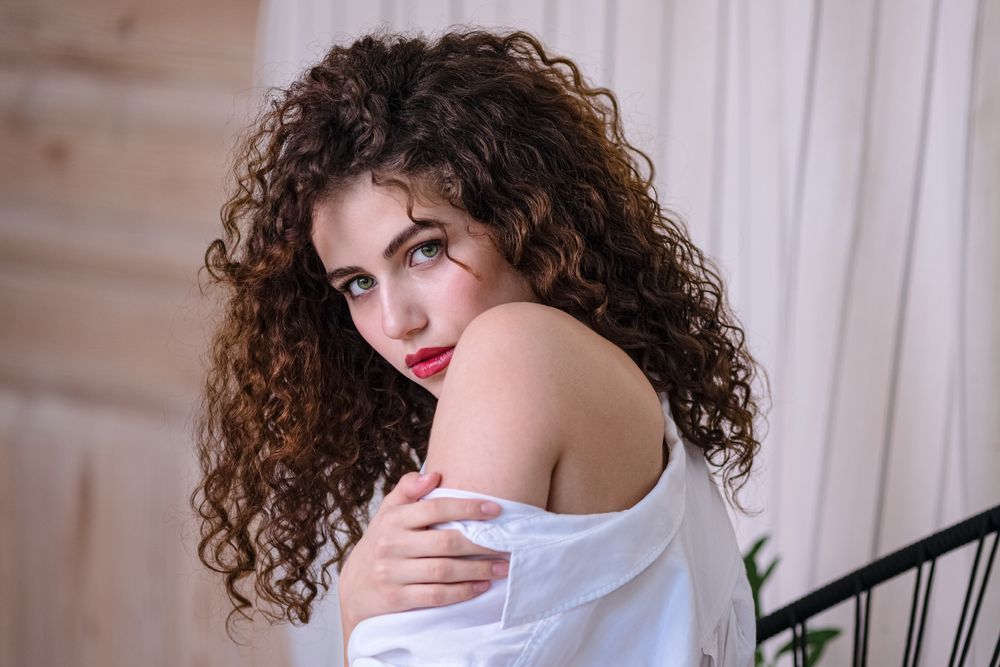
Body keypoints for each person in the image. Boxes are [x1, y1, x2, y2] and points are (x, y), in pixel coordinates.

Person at [191, 27, 764, 666]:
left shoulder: (513, 347)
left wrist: (358, 612)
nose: (396, 321)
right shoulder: (626, 388)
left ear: (523, 217)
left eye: (424, 251)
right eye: (357, 284)